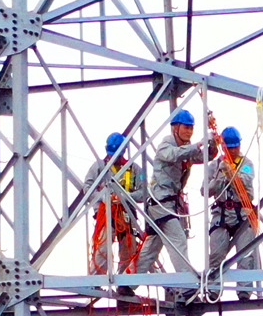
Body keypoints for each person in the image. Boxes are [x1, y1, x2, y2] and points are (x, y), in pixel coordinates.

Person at [142, 107, 211, 297]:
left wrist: (211, 146)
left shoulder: (186, 147)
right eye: (186, 127)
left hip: (169, 205)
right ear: (175, 128)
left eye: (191, 128)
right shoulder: (167, 144)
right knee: (178, 240)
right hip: (160, 204)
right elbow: (174, 155)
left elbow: (203, 156)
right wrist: (198, 144)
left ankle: (127, 285)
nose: (189, 131)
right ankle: (187, 285)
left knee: (151, 250)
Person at [203, 126, 260, 300]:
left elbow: (245, 181)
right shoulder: (214, 166)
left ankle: (244, 291)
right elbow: (205, 190)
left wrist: (231, 174)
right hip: (222, 214)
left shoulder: (247, 164)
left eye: (237, 146)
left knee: (245, 255)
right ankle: (213, 290)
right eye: (231, 147)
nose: (235, 150)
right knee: (216, 255)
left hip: (242, 213)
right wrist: (221, 173)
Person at [90, 131, 145, 293]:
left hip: (127, 214)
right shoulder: (99, 167)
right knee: (103, 246)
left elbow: (143, 192)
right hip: (106, 213)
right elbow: (87, 188)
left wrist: (125, 197)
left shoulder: (134, 168)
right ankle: (95, 280)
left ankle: (124, 283)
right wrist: (105, 198)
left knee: (129, 249)